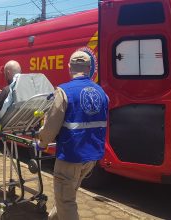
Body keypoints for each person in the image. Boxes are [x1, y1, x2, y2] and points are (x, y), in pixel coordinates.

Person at [37, 51, 109, 220]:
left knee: (66, 200)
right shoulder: (101, 93)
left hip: (70, 156)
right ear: (90, 69)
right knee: (67, 195)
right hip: (91, 158)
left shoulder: (63, 91)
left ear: (69, 67)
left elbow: (51, 126)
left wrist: (42, 143)